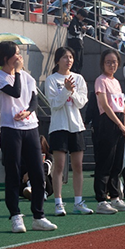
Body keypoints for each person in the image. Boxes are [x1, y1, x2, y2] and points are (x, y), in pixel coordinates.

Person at [0, 41, 57, 233]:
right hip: (10, 129)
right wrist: (17, 72)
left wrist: (28, 112)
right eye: (16, 53)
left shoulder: (27, 77)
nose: (20, 57)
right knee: (13, 173)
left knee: (38, 172)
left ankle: (39, 216)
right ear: (6, 58)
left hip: (31, 128)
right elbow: (15, 91)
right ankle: (15, 216)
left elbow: (34, 100)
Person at [44, 47, 92, 216]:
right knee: (59, 166)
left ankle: (78, 202)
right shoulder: (51, 80)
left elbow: (81, 102)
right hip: (59, 127)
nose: (68, 60)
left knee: (78, 165)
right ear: (57, 60)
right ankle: (58, 203)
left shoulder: (78, 78)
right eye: (65, 57)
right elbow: (54, 104)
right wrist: (65, 90)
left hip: (76, 126)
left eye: (71, 57)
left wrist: (71, 90)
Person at [93, 49, 125, 214]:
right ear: (102, 63)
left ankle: (115, 197)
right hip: (107, 122)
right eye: (108, 62)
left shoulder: (116, 82)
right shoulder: (100, 81)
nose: (112, 65)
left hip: (119, 123)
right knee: (105, 162)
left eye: (114, 62)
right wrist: (119, 124)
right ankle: (101, 200)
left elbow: (122, 105)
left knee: (117, 163)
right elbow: (105, 105)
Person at [66, 9, 87, 73]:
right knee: (76, 60)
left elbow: (82, 34)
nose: (83, 18)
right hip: (75, 43)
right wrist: (81, 29)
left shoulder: (79, 22)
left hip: (79, 43)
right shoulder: (74, 21)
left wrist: (84, 30)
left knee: (80, 61)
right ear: (79, 15)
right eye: (83, 16)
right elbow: (72, 31)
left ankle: (78, 73)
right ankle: (74, 73)